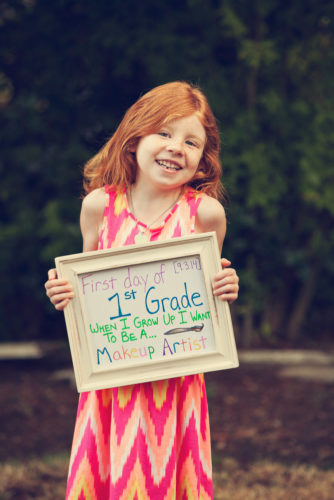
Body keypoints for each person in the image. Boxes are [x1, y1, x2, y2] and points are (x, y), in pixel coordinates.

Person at [45, 81, 239, 500]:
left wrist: (224, 286)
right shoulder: (100, 206)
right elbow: (87, 291)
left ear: (203, 161)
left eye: (192, 142)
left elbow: (205, 303)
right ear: (135, 138)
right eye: (164, 133)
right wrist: (65, 294)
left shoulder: (205, 215)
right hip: (111, 385)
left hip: (175, 387)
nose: (176, 148)